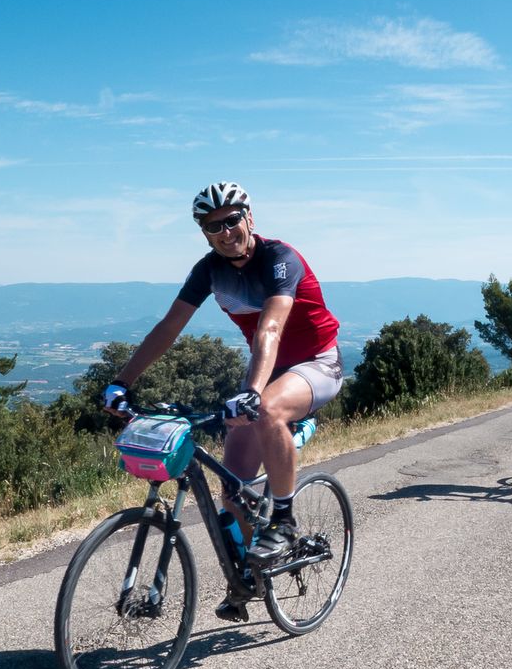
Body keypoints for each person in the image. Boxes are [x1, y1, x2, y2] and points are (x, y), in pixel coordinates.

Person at [101, 181, 344, 621]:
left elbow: (269, 330)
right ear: (205, 233)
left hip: (315, 364)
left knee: (268, 408)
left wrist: (251, 394)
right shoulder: (209, 270)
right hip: (267, 373)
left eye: (232, 220)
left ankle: (284, 521)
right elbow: (168, 328)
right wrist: (121, 381)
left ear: (249, 218)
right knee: (232, 492)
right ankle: (255, 570)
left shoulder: (279, 260)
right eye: (213, 226)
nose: (225, 231)